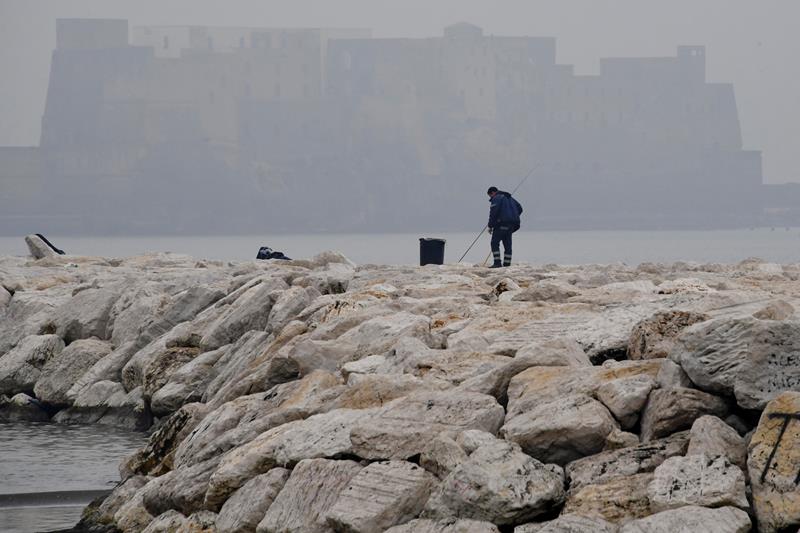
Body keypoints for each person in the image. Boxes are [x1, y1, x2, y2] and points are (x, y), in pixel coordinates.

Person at [487, 186, 523, 267]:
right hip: (512, 225)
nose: (491, 198)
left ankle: (497, 263)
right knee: (507, 244)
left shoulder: (496, 198)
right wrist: (512, 216)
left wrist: (490, 226)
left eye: (490, 196)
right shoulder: (510, 198)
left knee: (494, 243)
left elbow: (493, 213)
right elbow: (520, 208)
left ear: (492, 193)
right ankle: (507, 264)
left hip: (501, 224)